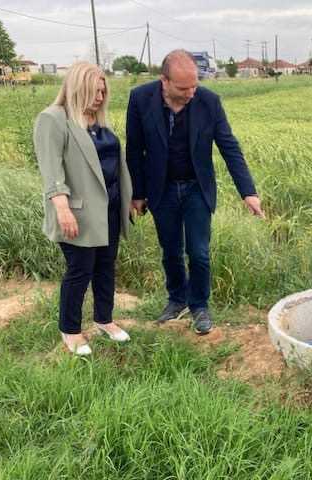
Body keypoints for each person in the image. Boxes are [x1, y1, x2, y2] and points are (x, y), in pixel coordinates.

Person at [126, 49, 264, 335]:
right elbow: (134, 149)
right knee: (171, 251)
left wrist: (248, 192)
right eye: (183, 88)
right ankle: (177, 300)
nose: (191, 93)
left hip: (196, 188)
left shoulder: (209, 101)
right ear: (164, 81)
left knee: (199, 253)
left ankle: (199, 305)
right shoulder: (140, 98)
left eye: (194, 85)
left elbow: (229, 147)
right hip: (161, 189)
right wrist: (137, 193)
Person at [34, 62, 133, 355]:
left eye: (103, 92)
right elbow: (51, 171)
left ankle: (104, 319)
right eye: (95, 91)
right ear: (78, 88)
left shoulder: (99, 122)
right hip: (77, 213)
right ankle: (70, 330)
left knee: (106, 267)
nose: (100, 97)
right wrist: (62, 209)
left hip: (110, 210)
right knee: (80, 271)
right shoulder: (54, 119)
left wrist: (128, 198)